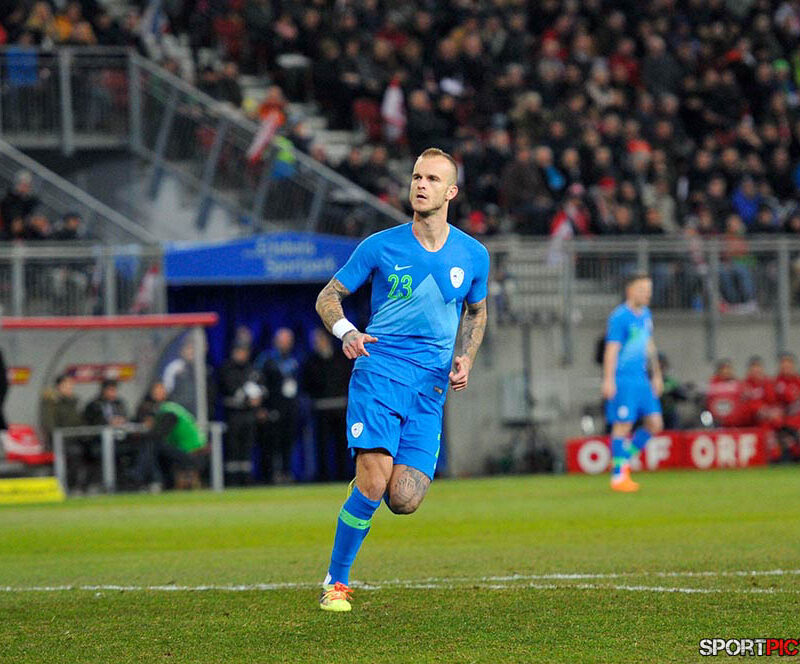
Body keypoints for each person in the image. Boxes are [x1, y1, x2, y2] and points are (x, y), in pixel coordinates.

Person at [314, 147, 489, 611]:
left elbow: (477, 311)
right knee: (374, 482)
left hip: (430, 387)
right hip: (380, 371)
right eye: (416, 177)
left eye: (432, 179)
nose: (420, 185)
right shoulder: (380, 246)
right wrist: (347, 331)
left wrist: (466, 357)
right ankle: (336, 581)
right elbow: (328, 296)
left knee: (404, 499)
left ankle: (364, 487)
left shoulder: (473, 255)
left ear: (450, 192)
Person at [602, 272, 664, 492]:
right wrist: (608, 379)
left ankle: (622, 460)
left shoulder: (646, 314)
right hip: (624, 379)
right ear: (630, 291)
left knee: (655, 424)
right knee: (623, 425)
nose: (647, 294)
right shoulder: (619, 317)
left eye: (649, 290)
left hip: (641, 378)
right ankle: (618, 476)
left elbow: (649, 345)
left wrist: (656, 374)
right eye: (642, 290)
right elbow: (612, 349)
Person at [301, 328, 352, 482]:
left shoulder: (341, 358)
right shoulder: (310, 361)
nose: (318, 343)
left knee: (342, 445)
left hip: (340, 408)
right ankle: (323, 476)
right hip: (321, 409)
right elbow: (306, 385)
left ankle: (343, 474)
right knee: (321, 446)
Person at [256, 328, 300, 483]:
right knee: (271, 444)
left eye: (288, 340)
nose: (285, 343)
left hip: (290, 408)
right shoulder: (266, 359)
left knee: (288, 443)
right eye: (282, 340)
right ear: (276, 341)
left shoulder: (294, 360)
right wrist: (261, 407)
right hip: (272, 408)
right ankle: (270, 475)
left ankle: (286, 473)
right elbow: (259, 383)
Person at [219, 342, 264, 486]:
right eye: (239, 351)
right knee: (233, 447)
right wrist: (245, 398)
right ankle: (232, 480)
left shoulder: (251, 369)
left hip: (248, 414)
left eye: (245, 352)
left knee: (247, 446)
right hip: (233, 414)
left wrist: (258, 398)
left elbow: (261, 387)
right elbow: (229, 389)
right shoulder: (227, 369)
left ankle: (246, 478)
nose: (242, 355)